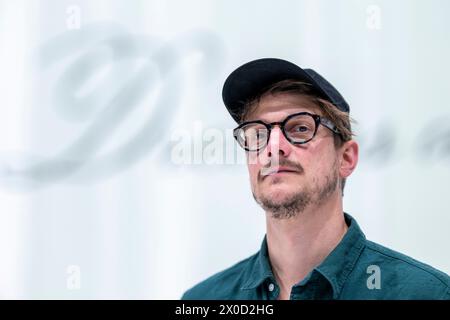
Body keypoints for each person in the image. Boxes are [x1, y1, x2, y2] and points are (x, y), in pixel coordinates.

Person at [182, 58, 450, 300]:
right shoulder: (202, 299)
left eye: (300, 128)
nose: (274, 147)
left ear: (345, 159)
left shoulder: (425, 294)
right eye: (257, 134)